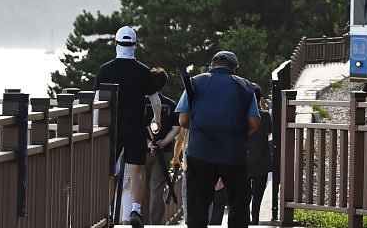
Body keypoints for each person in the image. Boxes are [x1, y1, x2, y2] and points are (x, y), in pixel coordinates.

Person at [176, 51, 260, 228]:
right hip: (233, 153)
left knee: (197, 206)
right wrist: (237, 135)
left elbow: (183, 120)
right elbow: (254, 123)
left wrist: (202, 129)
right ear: (234, 68)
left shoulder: (195, 83)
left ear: (212, 65)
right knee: (238, 205)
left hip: (200, 152)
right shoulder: (245, 86)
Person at [95, 25, 163, 228]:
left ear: (116, 44)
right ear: (135, 45)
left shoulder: (105, 70)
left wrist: (96, 125)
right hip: (135, 126)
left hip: (110, 127)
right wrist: (156, 122)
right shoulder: (143, 72)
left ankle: (106, 211)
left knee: (108, 170)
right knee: (137, 170)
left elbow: (97, 102)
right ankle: (135, 209)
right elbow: (156, 102)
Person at [146, 67, 180, 225]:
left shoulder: (141, 102)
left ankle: (139, 220)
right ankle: (155, 223)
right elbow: (176, 127)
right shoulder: (170, 104)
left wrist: (148, 143)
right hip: (164, 151)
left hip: (141, 151)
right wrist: (164, 142)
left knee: (138, 188)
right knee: (156, 190)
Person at [246, 84, 272, 225]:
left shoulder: (239, 115)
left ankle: (245, 218)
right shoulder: (265, 116)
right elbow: (268, 134)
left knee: (244, 194)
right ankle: (255, 217)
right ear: (259, 98)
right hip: (261, 159)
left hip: (242, 160)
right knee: (258, 194)